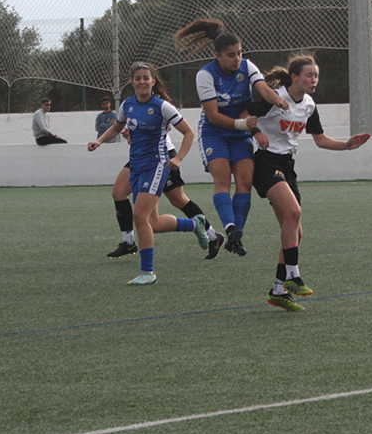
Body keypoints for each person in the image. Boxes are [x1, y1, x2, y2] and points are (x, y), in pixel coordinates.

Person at [246, 53, 371, 312]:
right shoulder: (275, 97)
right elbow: (246, 113)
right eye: (309, 75)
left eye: (316, 76)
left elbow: (321, 139)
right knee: (294, 213)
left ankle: (278, 289)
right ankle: (293, 276)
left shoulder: (309, 105)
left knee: (295, 231)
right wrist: (256, 131)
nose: (314, 80)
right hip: (266, 164)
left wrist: (347, 145)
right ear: (294, 77)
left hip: (287, 167)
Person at [174, 19, 288, 257]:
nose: (236, 58)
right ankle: (229, 226)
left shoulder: (247, 66)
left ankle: (236, 236)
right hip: (215, 133)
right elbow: (214, 116)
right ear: (218, 56)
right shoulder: (205, 75)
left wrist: (276, 99)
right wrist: (244, 124)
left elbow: (263, 88)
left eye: (239, 53)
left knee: (245, 181)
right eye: (230, 55)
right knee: (223, 179)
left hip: (240, 134)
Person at [89, 61, 210, 285]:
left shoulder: (162, 106)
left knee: (139, 216)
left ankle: (148, 272)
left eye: (146, 78)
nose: (142, 82)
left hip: (157, 165)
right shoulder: (127, 105)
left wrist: (178, 158)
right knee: (151, 222)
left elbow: (189, 133)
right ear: (132, 82)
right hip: (136, 165)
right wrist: (99, 140)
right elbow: (117, 128)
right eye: (138, 78)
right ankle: (195, 224)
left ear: (153, 81)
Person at [106, 128, 224, 260]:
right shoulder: (128, 107)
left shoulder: (158, 107)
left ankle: (212, 236)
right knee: (119, 193)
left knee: (177, 199)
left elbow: (166, 126)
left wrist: (139, 133)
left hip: (162, 154)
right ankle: (129, 242)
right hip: (142, 156)